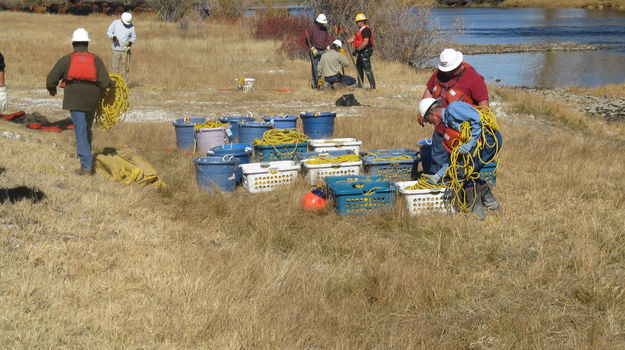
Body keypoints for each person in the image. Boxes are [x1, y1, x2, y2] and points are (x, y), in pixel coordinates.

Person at [418, 98, 502, 220]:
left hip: (489, 140)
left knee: (464, 172)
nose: (430, 123)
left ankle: (476, 213)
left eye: (428, 120)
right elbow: (454, 156)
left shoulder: (454, 108)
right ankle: (491, 203)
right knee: (470, 170)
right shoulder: (448, 125)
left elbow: (477, 120)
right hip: (480, 143)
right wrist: (439, 175)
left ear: (431, 113)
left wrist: (470, 143)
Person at [46, 28, 112, 176]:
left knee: (80, 132)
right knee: (86, 129)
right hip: (91, 99)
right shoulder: (96, 60)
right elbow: (105, 82)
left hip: (74, 99)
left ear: (73, 44)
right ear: (87, 44)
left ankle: (86, 166)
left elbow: (51, 79)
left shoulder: (67, 59)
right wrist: (112, 84)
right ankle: (86, 157)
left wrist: (52, 88)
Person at [419, 48, 489, 176]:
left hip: (461, 133)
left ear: (457, 66)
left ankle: (457, 189)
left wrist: (478, 134)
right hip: (441, 129)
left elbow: (484, 106)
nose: (446, 73)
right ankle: (438, 189)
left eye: (449, 70)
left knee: (460, 166)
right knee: (437, 162)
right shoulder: (438, 74)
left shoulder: (474, 79)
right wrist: (422, 112)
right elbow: (429, 91)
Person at [346, 13, 375, 89]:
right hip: (360, 51)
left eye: (357, 21)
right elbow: (354, 38)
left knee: (367, 68)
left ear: (361, 22)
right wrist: (345, 41)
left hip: (365, 51)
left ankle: (372, 86)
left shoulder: (366, 30)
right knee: (359, 67)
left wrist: (357, 50)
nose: (356, 23)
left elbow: (365, 42)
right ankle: (360, 85)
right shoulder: (360, 30)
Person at [305, 14, 332, 89]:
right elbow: (308, 40)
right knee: (315, 67)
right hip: (314, 51)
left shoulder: (325, 29)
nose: (322, 24)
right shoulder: (311, 28)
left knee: (323, 68)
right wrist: (312, 48)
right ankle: (317, 84)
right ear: (317, 21)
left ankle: (324, 83)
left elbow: (327, 39)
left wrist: (328, 46)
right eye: (321, 22)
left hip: (324, 51)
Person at [107, 12, 135, 84]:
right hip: (116, 50)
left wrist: (130, 42)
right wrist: (113, 37)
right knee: (114, 68)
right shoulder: (115, 23)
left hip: (126, 51)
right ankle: (114, 85)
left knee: (126, 68)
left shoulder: (131, 26)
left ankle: (124, 85)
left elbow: (133, 37)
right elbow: (109, 32)